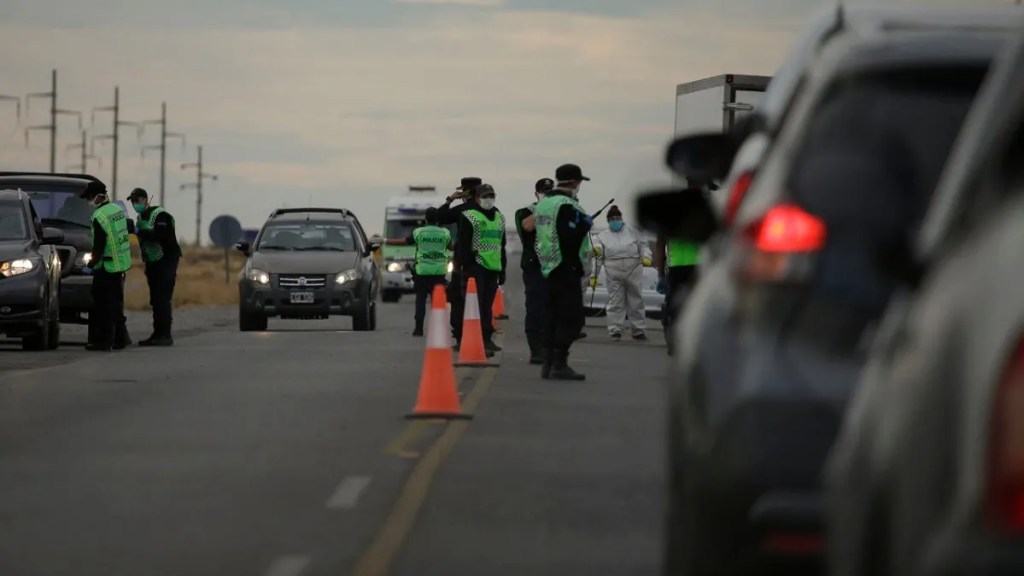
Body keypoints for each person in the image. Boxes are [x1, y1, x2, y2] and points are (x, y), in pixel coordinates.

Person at [535, 163, 593, 380]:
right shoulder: (567, 205)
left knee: (552, 316)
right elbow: (568, 235)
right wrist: (584, 225)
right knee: (572, 318)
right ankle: (560, 362)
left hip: (548, 267)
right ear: (575, 182)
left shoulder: (543, 204)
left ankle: (548, 362)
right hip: (566, 266)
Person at [382, 207, 452, 336]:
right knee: (437, 302)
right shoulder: (445, 233)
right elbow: (451, 247)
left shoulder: (419, 232)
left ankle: (418, 329)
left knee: (420, 301)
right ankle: (438, 329)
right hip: (439, 272)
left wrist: (385, 241)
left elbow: (404, 242)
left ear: (425, 219)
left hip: (422, 272)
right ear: (438, 220)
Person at [81, 181, 132, 352]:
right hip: (119, 264)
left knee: (102, 306)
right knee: (115, 304)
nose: (88, 201)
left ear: (98, 196)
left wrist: (91, 264)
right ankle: (120, 339)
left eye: (89, 197)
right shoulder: (117, 210)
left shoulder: (99, 216)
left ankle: (103, 342)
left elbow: (99, 245)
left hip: (106, 266)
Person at [128, 188, 182, 346]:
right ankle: (157, 334)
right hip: (153, 262)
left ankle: (165, 335)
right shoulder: (140, 218)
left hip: (166, 260)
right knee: (156, 299)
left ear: (145, 200)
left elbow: (162, 236)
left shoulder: (160, 215)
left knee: (162, 298)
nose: (134, 204)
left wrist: (138, 231)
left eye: (137, 201)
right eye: (132, 202)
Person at [457, 183, 506, 353]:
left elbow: (502, 244)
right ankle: (474, 340)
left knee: (487, 306)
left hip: (493, 267)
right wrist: (463, 267)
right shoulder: (469, 216)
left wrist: (503, 269)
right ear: (477, 198)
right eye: (485, 196)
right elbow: (463, 244)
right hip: (476, 266)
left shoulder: (499, 217)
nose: (488, 199)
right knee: (476, 305)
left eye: (491, 196)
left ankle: (486, 339)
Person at [592, 205, 652, 341]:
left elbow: (644, 246)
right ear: (608, 221)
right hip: (613, 272)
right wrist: (593, 276)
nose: (615, 220)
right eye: (612, 219)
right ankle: (615, 330)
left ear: (622, 218)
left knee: (636, 301)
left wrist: (647, 257)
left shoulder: (633, 232)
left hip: (633, 270)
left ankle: (638, 330)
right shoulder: (602, 237)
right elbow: (598, 258)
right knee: (615, 302)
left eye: (617, 218)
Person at [435, 177, 483, 345]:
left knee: (458, 299)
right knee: (481, 300)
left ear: (467, 192)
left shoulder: (463, 209)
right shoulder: (491, 210)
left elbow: (439, 217)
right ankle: (482, 337)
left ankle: (461, 336)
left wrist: (450, 199)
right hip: (484, 263)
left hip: (462, 262)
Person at [515, 177, 553, 364]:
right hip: (534, 267)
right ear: (536, 194)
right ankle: (536, 350)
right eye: (544, 193)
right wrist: (544, 208)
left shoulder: (559, 211)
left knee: (552, 309)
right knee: (536, 308)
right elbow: (527, 227)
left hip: (555, 267)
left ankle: (549, 347)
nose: (547, 196)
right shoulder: (525, 212)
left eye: (550, 193)